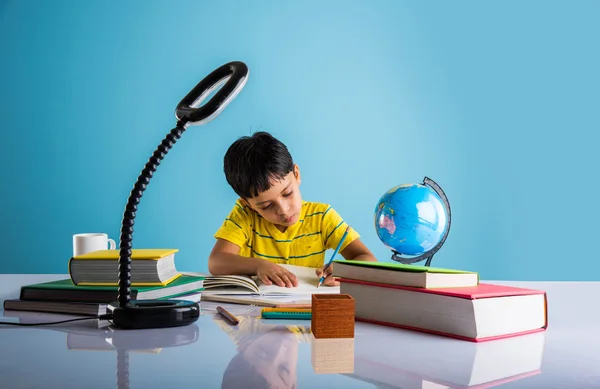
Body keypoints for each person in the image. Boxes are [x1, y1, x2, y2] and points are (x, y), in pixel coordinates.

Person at [208, 131, 377, 287]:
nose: (283, 209)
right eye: (267, 205)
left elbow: (368, 259)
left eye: (287, 193)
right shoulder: (244, 215)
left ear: (296, 175)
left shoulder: (322, 217)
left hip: (306, 310)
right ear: (248, 204)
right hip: (257, 311)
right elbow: (216, 262)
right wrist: (259, 265)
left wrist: (344, 269)